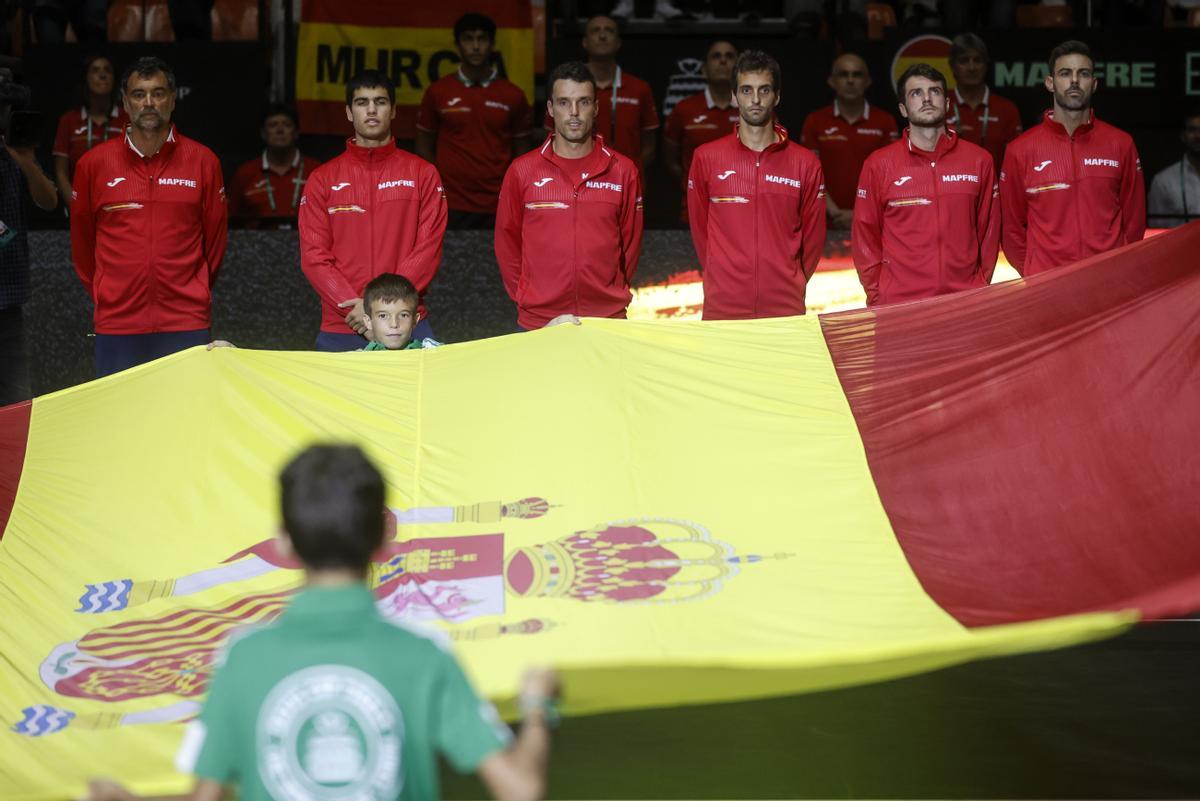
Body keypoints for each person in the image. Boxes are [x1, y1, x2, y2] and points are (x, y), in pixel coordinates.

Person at [83, 443, 560, 801]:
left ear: (284, 543)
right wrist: (537, 709)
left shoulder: (242, 655)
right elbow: (520, 789)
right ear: (382, 542)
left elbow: (205, 796)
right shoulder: (422, 652)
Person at [70, 56, 228, 378]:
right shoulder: (93, 165)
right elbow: (83, 247)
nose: (149, 103)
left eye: (158, 93)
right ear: (126, 103)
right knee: (119, 421)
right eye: (139, 95)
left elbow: (214, 244)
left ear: (172, 99)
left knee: (185, 419)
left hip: (186, 321)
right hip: (118, 323)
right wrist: (108, 294)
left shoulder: (204, 161)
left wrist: (191, 290)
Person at [299, 70, 447, 352]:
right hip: (342, 324)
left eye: (380, 101)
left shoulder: (423, 174)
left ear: (393, 110)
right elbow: (314, 257)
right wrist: (357, 312)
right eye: (361, 102)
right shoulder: (322, 179)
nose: (370, 109)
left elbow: (427, 250)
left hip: (405, 324)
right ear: (348, 112)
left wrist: (380, 310)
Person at [495, 61, 643, 330]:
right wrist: (528, 298)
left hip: (606, 319)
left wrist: (610, 293)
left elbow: (630, 246)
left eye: (583, 102)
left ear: (596, 107)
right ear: (550, 109)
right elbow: (507, 243)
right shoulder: (522, 171)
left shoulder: (623, 171)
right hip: (538, 320)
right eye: (564, 103)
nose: (574, 113)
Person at [687, 50, 826, 320]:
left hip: (785, 306)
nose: (755, 99)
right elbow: (700, 230)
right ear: (734, 96)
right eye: (747, 90)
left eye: (764, 90)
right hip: (723, 304)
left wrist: (790, 281)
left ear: (777, 96)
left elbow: (814, 239)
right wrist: (723, 278)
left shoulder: (805, 162)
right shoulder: (707, 157)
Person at [852, 63, 999, 307]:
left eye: (935, 91)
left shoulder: (979, 160)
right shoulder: (878, 164)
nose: (927, 98)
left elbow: (989, 231)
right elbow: (865, 236)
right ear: (903, 108)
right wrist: (880, 296)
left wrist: (979, 285)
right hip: (900, 305)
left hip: (964, 301)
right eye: (916, 93)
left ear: (948, 103)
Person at [1000, 41, 1145, 276]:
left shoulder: (1121, 143)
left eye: (1084, 74)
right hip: (1047, 287)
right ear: (1050, 83)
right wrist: (1033, 272)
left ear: (1094, 84)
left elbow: (1134, 221)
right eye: (1065, 73)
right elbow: (1011, 227)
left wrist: (1118, 270)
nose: (1074, 81)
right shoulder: (1020, 150)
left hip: (1107, 283)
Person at [415, 13, 534, 230]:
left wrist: (511, 190)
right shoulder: (438, 91)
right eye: (469, 39)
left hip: (499, 202)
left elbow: (523, 153)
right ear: (457, 45)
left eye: (482, 39)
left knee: (496, 264)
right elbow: (423, 145)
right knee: (451, 264)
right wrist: (438, 187)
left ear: (492, 44)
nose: (476, 46)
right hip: (451, 202)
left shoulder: (513, 94)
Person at [0, 77, 59, 405]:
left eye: (6, 110)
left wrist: (25, 161)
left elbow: (49, 201)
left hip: (7, 301)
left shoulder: (16, 153)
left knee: (17, 400)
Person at [800, 52, 898, 230]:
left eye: (857, 74)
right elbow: (808, 175)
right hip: (826, 222)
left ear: (868, 81)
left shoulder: (885, 121)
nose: (851, 80)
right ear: (831, 81)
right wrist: (834, 211)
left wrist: (859, 214)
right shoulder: (814, 121)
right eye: (844, 74)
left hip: (874, 222)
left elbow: (893, 176)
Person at [549, 16, 658, 170]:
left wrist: (627, 171)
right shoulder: (563, 89)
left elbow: (650, 145)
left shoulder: (639, 88)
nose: (602, 36)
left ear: (619, 42)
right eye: (595, 31)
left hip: (626, 183)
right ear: (584, 42)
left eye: (609, 30)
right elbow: (551, 138)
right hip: (573, 182)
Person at [662, 40, 739, 224]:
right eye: (716, 56)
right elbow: (671, 160)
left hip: (743, 213)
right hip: (695, 213)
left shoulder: (754, 109)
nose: (722, 61)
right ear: (704, 69)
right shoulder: (684, 109)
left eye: (729, 56)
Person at [52, 55, 127, 208]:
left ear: (114, 79)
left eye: (107, 70)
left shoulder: (128, 119)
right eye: (95, 70)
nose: (102, 75)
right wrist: (78, 207)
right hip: (80, 205)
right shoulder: (69, 120)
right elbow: (61, 173)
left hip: (122, 206)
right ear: (85, 79)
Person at [228, 105, 321, 228]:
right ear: (263, 133)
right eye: (273, 125)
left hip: (308, 244)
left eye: (287, 125)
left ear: (296, 132)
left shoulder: (316, 171)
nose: (280, 130)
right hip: (255, 245)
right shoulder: (245, 173)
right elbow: (232, 222)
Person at [946, 33, 1022, 169]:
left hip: (997, 188)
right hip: (950, 187)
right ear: (952, 66)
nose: (971, 67)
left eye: (977, 60)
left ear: (986, 65)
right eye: (964, 60)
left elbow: (1018, 161)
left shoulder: (1006, 108)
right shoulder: (940, 106)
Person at [1147, 111, 1200, 228]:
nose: (1198, 135)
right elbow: (1156, 233)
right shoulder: (1163, 181)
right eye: (1192, 130)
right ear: (1183, 136)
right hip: (1181, 246)